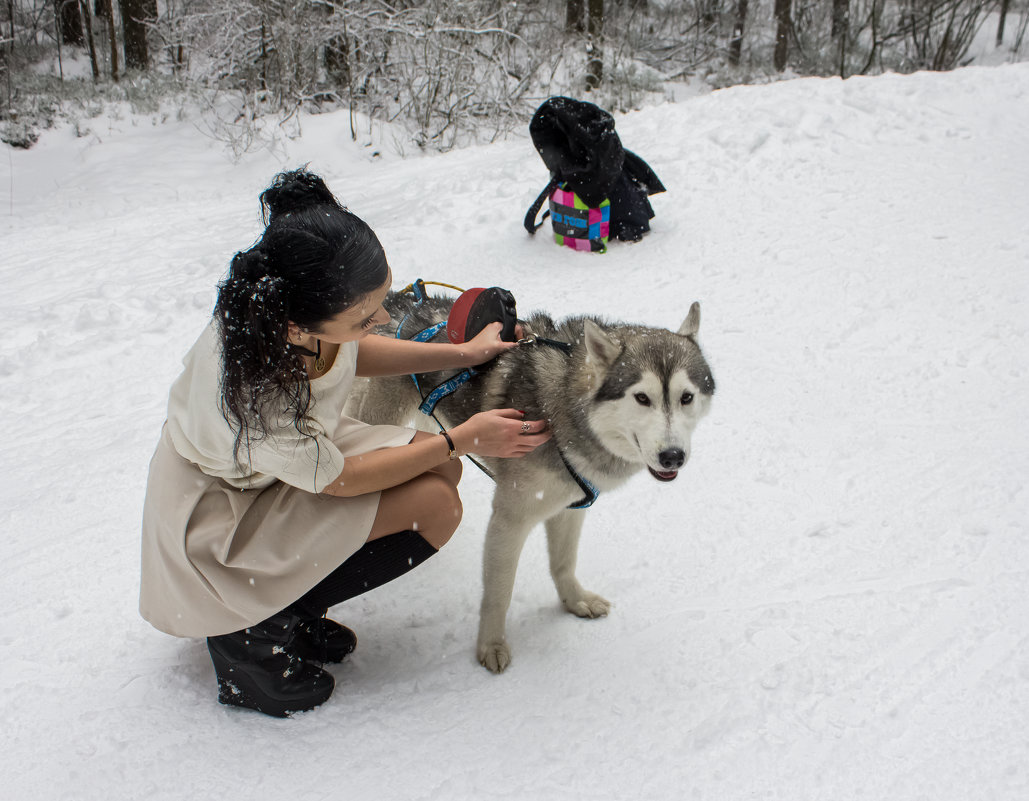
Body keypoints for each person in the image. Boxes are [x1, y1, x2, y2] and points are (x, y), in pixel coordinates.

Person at [139, 169, 551, 717]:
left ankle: (291, 603)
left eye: (379, 300)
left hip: (295, 457)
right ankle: (252, 633)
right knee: (434, 505)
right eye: (365, 315)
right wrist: (463, 438)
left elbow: (353, 351)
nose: (382, 319)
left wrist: (463, 355)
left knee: (439, 477)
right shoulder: (255, 394)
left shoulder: (287, 308)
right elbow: (341, 481)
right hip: (229, 506)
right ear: (295, 327)